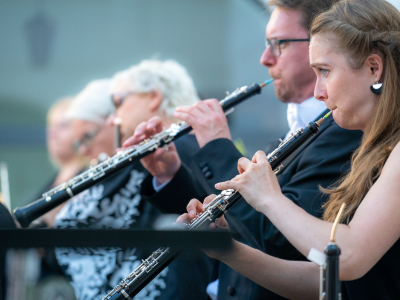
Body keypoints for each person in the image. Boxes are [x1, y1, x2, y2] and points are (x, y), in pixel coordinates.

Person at [122, 0, 362, 299]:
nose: (265, 58)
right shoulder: (303, 127)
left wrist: (217, 147)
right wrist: (170, 175)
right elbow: (236, 217)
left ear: (320, 43)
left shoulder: (345, 128)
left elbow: (282, 238)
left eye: (278, 44)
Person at [180, 0, 400, 299]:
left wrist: (269, 197)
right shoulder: (373, 150)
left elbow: (347, 258)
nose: (317, 91)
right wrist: (228, 250)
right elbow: (326, 280)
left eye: (325, 71)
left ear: (374, 68)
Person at [54, 60, 213, 300]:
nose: (112, 119)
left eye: (118, 102)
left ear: (153, 97)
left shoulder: (181, 147)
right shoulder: (181, 147)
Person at [33, 98, 87, 227]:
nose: (53, 133)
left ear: (81, 131)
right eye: (51, 126)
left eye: (63, 125)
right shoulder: (55, 177)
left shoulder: (87, 177)